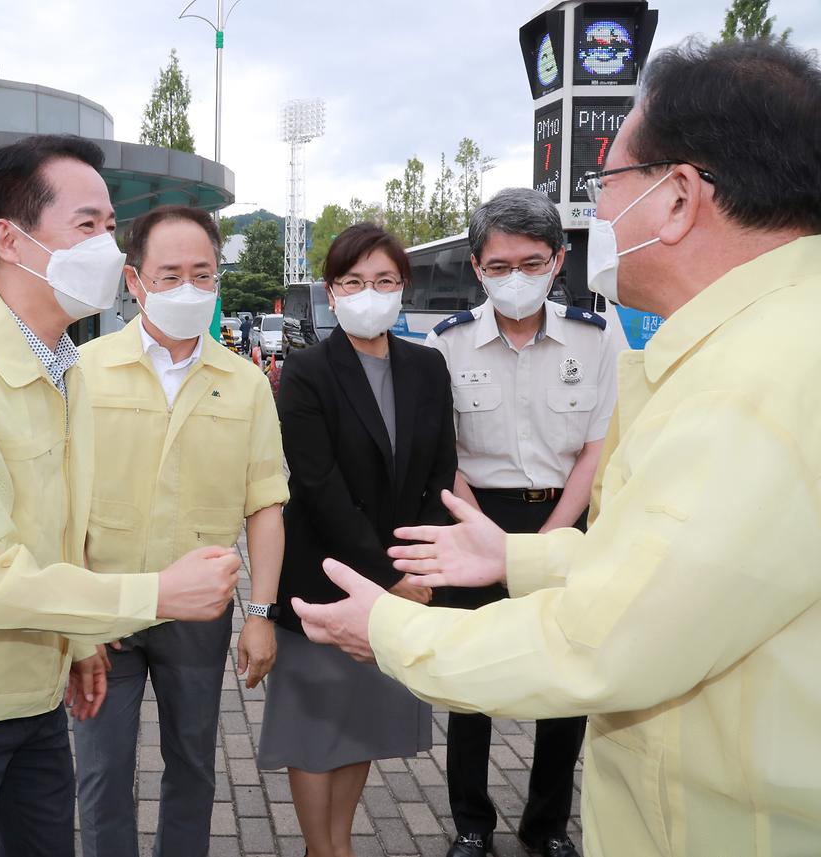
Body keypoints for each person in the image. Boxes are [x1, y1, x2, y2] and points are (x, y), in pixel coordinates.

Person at [290, 40, 821, 857]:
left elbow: (601, 641)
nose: (599, 213)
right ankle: (474, 822)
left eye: (606, 184)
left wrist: (389, 628)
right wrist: (519, 558)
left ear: (679, 198)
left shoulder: (754, 380)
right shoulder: (758, 342)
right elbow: (673, 574)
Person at [0, 135, 242, 857]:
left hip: (32, 693)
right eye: (87, 225)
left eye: (108, 226)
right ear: (11, 238)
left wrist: (80, 639)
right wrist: (157, 593)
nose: (106, 244)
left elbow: (58, 530)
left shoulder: (67, 366)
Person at [74, 205, 288, 857]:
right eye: (170, 275)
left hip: (198, 615)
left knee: (194, 765)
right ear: (134, 283)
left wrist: (260, 613)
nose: (188, 288)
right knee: (102, 771)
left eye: (203, 273)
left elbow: (266, 504)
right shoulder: (84, 370)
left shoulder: (247, 383)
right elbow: (61, 503)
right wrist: (74, 622)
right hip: (104, 607)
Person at [422, 187, 621, 857]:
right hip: (474, 511)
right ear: (476, 265)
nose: (516, 278)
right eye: (500, 265)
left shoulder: (596, 339)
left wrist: (551, 537)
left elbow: (596, 446)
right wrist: (489, 536)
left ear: (559, 260)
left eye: (532, 263)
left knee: (565, 677)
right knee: (469, 678)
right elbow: (442, 451)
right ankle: (471, 824)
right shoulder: (444, 345)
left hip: (564, 518)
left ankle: (547, 825)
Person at [256, 223, 457, 857]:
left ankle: (337, 841)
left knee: (359, 726)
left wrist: (416, 566)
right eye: (352, 282)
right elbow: (317, 485)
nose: (368, 293)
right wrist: (389, 577)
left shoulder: (427, 366)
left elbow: (438, 472)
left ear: (403, 287)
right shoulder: (310, 371)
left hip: (400, 581)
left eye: (384, 281)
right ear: (330, 291)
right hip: (323, 582)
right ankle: (325, 849)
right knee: (317, 727)